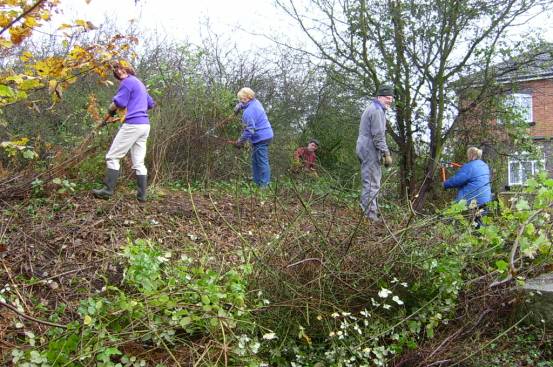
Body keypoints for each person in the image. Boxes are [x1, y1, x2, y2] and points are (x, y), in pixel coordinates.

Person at [92, 60, 156, 202]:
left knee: (112, 157)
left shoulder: (127, 83)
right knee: (139, 163)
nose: (119, 71)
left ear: (128, 68)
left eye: (121, 68)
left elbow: (120, 102)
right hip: (144, 125)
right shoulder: (139, 83)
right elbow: (151, 103)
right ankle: (142, 197)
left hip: (132, 124)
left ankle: (107, 191)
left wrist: (112, 108)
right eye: (116, 70)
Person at [356, 84, 394, 222]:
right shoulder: (377, 110)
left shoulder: (373, 108)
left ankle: (366, 212)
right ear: (379, 97)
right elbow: (378, 136)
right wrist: (386, 153)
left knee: (369, 180)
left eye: (391, 98)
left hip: (364, 146)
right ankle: (370, 216)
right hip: (369, 148)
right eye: (387, 98)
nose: (389, 100)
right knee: (372, 183)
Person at [234, 87, 274, 187]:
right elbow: (248, 104)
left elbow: (249, 130)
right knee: (255, 160)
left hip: (262, 137)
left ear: (246, 98)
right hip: (266, 134)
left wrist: (241, 141)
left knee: (261, 161)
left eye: (241, 99)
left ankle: (264, 186)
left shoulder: (248, 112)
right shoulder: (255, 102)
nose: (240, 101)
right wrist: (240, 106)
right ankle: (257, 183)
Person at [443, 147, 492, 222]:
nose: (467, 156)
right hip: (485, 200)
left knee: (453, 215)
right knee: (479, 222)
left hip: (473, 201)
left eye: (468, 155)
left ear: (472, 155)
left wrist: (445, 184)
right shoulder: (484, 166)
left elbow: (457, 180)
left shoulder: (469, 166)